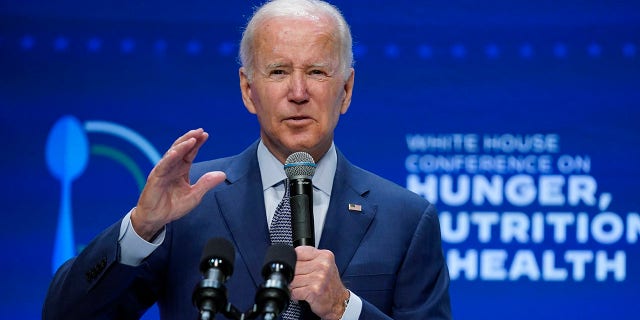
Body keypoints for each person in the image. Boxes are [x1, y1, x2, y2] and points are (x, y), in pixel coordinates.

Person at [43, 0, 452, 319]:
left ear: (345, 90)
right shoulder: (189, 201)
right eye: (277, 72)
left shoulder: (406, 220)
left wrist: (346, 309)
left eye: (316, 72)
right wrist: (141, 227)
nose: (297, 92)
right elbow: (65, 315)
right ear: (247, 89)